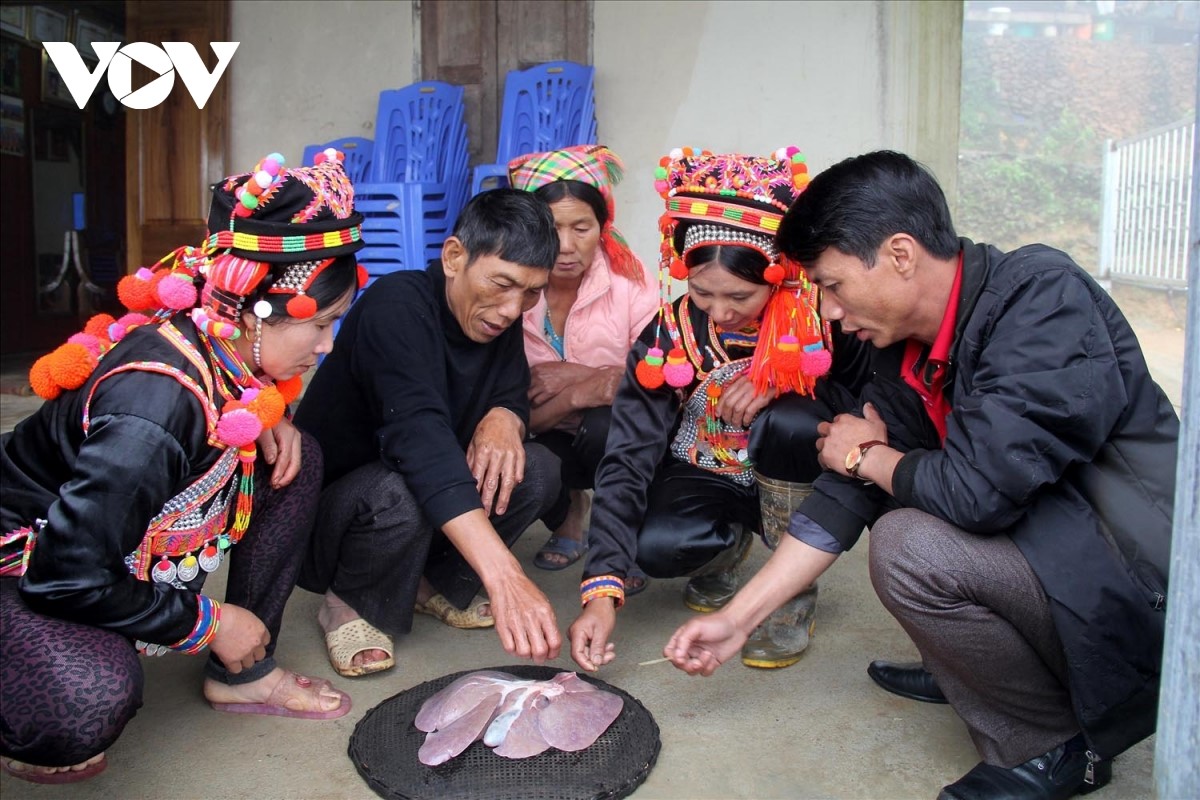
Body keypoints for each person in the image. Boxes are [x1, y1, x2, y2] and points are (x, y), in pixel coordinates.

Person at [664, 150, 1178, 800]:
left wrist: (866, 457)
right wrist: (739, 620)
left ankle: (1053, 747)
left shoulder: (1043, 301)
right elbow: (842, 497)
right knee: (896, 490)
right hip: (1060, 551)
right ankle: (979, 664)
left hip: (1136, 589)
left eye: (833, 284)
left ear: (900, 254)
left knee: (911, 542)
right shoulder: (907, 342)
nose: (829, 311)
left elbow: (978, 492)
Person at [0, 150, 366, 784]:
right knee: (83, 702)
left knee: (294, 458)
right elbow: (65, 575)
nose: (328, 345)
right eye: (323, 325)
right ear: (254, 310)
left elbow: (236, 398)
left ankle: (242, 676)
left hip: (97, 535)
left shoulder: (215, 335)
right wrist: (208, 621)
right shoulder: (152, 411)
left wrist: (268, 405)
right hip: (33, 557)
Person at [568, 147, 868, 673]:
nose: (721, 312)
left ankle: (790, 592)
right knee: (653, 546)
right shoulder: (670, 334)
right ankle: (726, 551)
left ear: (777, 273)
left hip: (800, 481)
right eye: (702, 293)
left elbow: (867, 402)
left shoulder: (826, 317)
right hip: (707, 471)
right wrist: (601, 588)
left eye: (740, 296)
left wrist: (781, 380)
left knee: (793, 421)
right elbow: (629, 453)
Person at [295, 188, 564, 678]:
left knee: (538, 470)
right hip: (342, 512)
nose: (512, 309)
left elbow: (512, 388)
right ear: (454, 257)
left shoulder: (496, 318)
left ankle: (429, 583)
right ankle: (348, 600)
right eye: (502, 283)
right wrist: (504, 575)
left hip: (415, 492)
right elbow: (419, 440)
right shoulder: (396, 305)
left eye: (531, 292)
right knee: (400, 490)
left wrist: (506, 416)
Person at [507, 144, 659, 574]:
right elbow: (507, 397)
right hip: (538, 424)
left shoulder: (630, 281)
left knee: (608, 427)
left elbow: (658, 373)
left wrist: (575, 377)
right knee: (520, 452)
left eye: (582, 228)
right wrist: (579, 393)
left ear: (603, 226)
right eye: (551, 227)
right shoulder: (509, 283)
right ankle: (571, 513)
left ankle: (624, 531)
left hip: (613, 423)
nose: (566, 246)